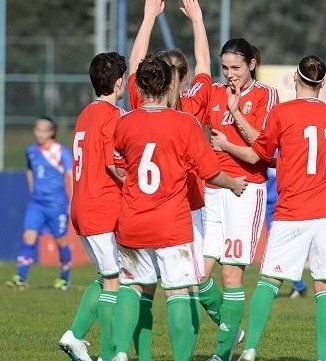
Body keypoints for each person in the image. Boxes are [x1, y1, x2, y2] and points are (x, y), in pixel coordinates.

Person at [111, 54, 247, 361]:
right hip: (171, 225)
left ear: (139, 86)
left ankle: (120, 354)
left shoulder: (125, 122)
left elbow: (118, 167)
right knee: (179, 293)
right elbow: (210, 172)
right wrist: (234, 184)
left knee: (133, 288)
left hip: (132, 222)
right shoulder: (184, 123)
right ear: (171, 83)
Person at [212, 55, 326, 361]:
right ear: (321, 83)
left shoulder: (282, 112)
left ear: (295, 79)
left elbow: (259, 152)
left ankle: (250, 349)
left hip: (294, 210)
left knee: (269, 280)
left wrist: (229, 134)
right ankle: (323, 357)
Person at [127, 0, 214, 358]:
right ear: (186, 76)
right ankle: (222, 332)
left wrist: (148, 17)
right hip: (184, 210)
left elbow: (133, 65)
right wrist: (197, 19)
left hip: (140, 207)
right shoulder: (192, 108)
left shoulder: (138, 106)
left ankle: (138, 355)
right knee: (185, 290)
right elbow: (206, 65)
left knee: (141, 289)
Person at [198, 38, 278, 361]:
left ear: (251, 65)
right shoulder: (215, 92)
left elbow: (261, 150)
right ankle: (232, 331)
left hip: (245, 190)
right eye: (225, 67)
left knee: (231, 274)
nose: (229, 74)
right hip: (213, 189)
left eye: (236, 67)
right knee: (196, 275)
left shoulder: (265, 95)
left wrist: (233, 119)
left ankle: (221, 354)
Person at [59, 51, 127, 361]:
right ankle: (109, 353)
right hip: (101, 206)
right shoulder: (113, 116)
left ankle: (74, 336)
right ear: (119, 83)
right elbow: (115, 164)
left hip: (82, 204)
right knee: (115, 280)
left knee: (106, 275)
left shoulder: (85, 113)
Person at [6, 116, 73, 291]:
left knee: (60, 241)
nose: (40, 133)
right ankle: (20, 278)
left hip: (56, 204)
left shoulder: (60, 151)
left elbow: (70, 176)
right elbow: (30, 169)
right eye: (38, 129)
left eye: (44, 130)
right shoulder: (31, 151)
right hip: (36, 203)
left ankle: (65, 277)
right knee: (28, 236)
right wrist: (32, 189)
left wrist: (71, 201)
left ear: (51, 132)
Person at [266, 166, 308, 299]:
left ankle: (297, 284)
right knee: (278, 246)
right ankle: (298, 284)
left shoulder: (282, 149)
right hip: (271, 202)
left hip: (281, 202)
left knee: (279, 246)